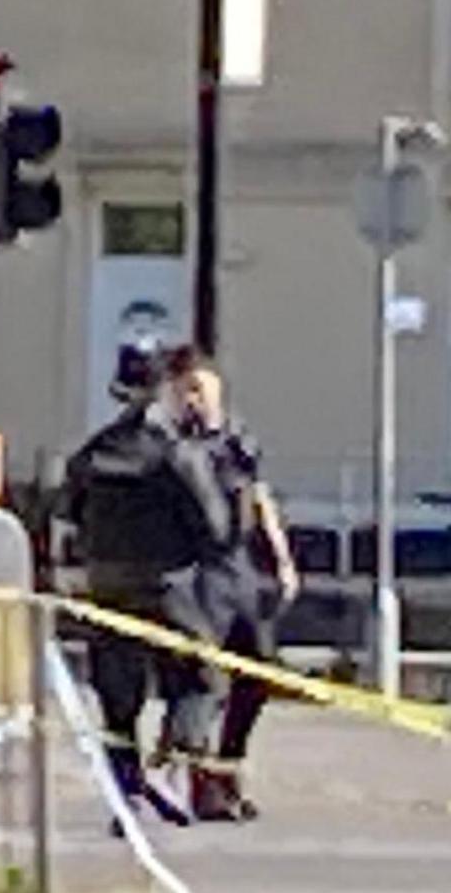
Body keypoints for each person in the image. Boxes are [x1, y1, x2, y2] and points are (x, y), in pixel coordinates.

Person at [60, 340, 235, 824]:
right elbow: (216, 528)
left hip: (106, 587)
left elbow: (65, 510)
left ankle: (126, 796)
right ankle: (170, 768)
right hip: (168, 586)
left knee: (118, 699)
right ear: (164, 390)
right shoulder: (176, 455)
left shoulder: (92, 453)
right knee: (203, 678)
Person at [181, 356, 298, 823]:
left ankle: (229, 769)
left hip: (241, 569)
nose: (199, 402)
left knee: (258, 670)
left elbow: (259, 495)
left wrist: (283, 558)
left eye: (206, 393)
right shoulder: (173, 448)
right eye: (191, 392)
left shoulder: (237, 442)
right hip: (198, 572)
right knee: (205, 682)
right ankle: (201, 786)